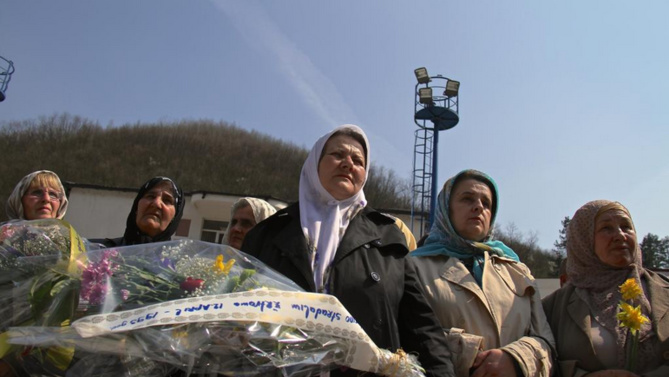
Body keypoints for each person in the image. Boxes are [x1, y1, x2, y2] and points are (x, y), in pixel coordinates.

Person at [242, 124, 453, 376]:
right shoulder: (267, 233)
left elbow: (420, 324)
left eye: (358, 160)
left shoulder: (387, 236)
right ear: (314, 163)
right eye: (337, 155)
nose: (348, 164)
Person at [412, 169, 555, 377]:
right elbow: (403, 336)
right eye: (467, 198)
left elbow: (546, 343)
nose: (478, 207)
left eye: (486, 204)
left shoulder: (518, 271)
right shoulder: (412, 267)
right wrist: (470, 354)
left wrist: (516, 359)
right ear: (446, 209)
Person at [542, 200, 669, 376]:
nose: (620, 235)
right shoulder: (552, 309)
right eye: (606, 228)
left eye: (626, 227)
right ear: (583, 240)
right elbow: (540, 362)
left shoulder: (664, 292)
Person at [91, 176, 184, 247]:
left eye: (167, 200)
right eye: (150, 196)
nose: (156, 203)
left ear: (174, 217)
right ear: (136, 207)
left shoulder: (181, 267)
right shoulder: (97, 253)